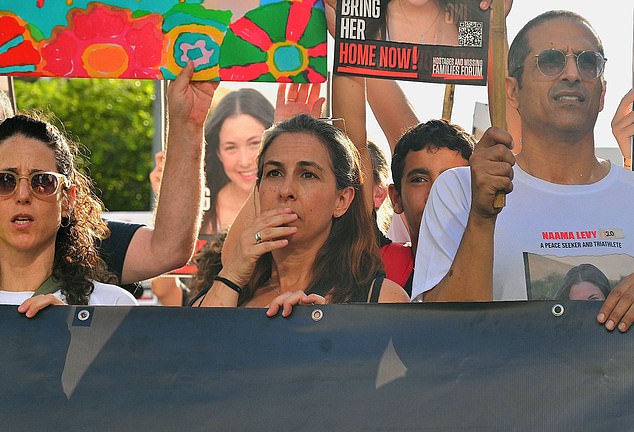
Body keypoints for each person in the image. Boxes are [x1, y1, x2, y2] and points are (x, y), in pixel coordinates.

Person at [411, 10, 634, 333]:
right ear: (513, 91)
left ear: (602, 91)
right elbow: (442, 338)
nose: (572, 73)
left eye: (588, 62)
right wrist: (481, 218)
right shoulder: (460, 190)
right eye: (551, 61)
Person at [198, 114, 409, 313]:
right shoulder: (226, 292)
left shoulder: (383, 301)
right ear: (258, 190)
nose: (286, 190)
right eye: (275, 173)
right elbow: (196, 348)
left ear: (342, 200)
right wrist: (230, 277)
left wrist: (323, 330)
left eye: (307, 175)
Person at [0, 114, 137, 317]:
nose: (23, 195)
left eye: (42, 182)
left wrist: (75, 333)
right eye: (5, 181)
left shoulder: (114, 307)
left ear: (67, 201)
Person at [383, 119, 473, 295]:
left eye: (451, 180)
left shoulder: (503, 270)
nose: (435, 195)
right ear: (396, 198)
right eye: (419, 180)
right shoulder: (376, 270)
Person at [201, 87, 274, 234]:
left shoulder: (295, 206)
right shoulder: (200, 213)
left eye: (255, 143)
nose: (245, 161)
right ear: (218, 153)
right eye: (231, 148)